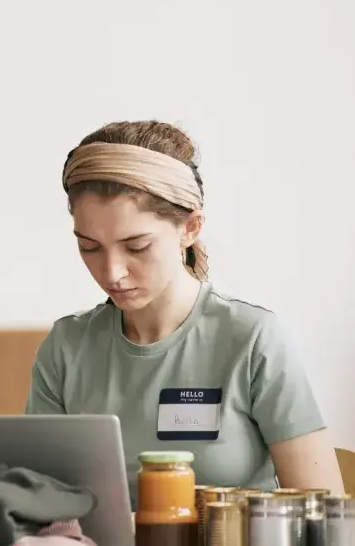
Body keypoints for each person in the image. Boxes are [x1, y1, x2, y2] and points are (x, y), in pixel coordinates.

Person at [25, 119, 344, 506]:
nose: (111, 272)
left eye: (137, 246)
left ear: (190, 227)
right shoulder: (66, 347)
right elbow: (40, 503)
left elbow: (322, 515)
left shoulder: (253, 340)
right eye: (89, 247)